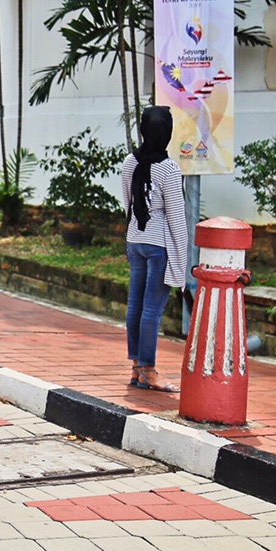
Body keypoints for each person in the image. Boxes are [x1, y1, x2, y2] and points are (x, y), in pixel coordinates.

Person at [120, 105, 187, 393]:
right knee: (151, 310)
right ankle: (149, 370)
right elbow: (176, 217)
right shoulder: (169, 168)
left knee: (135, 305)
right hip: (159, 245)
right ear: (168, 132)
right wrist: (182, 262)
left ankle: (137, 367)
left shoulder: (128, 162)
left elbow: (128, 204)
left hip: (135, 240)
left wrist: (132, 233)